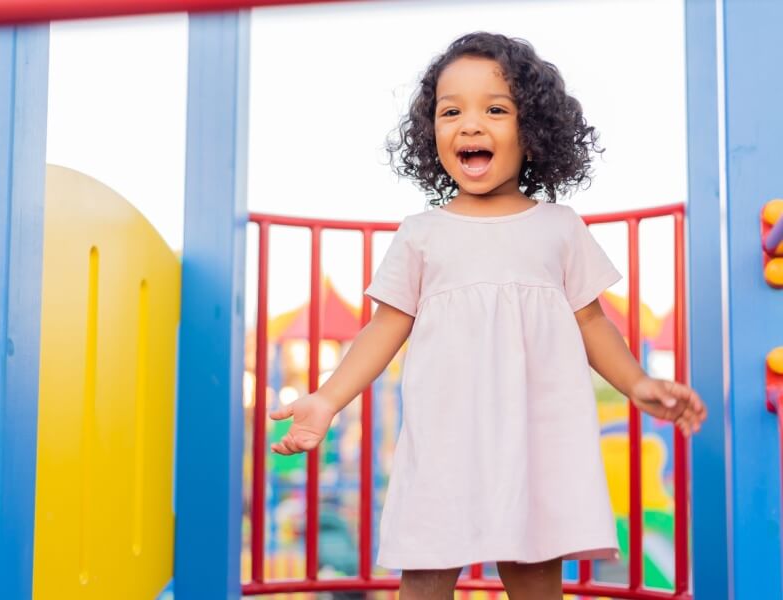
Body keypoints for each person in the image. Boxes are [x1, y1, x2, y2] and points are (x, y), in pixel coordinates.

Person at [269, 32, 707, 600]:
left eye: (495, 109)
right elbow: (384, 327)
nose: (470, 125)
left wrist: (638, 382)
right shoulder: (423, 233)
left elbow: (593, 324)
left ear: (535, 130)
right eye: (451, 112)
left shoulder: (559, 227)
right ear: (433, 135)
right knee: (425, 572)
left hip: (534, 436)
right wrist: (327, 400)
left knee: (532, 571)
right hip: (445, 435)